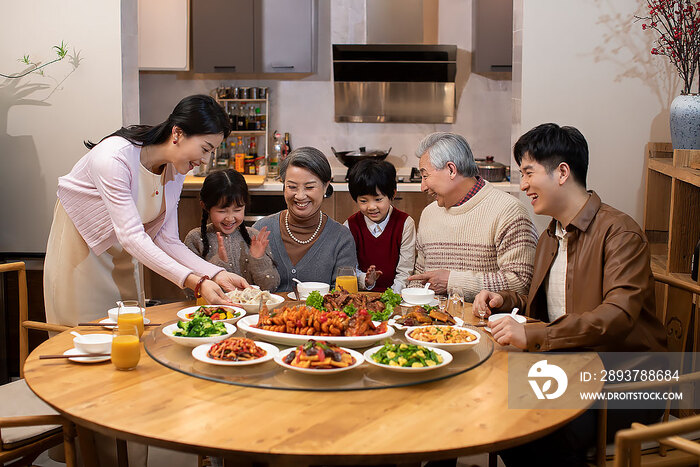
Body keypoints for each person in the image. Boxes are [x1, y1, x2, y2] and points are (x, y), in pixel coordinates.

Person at [473, 123, 667, 466]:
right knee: (491, 405)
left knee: (532, 426)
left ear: (562, 172)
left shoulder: (620, 234)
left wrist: (535, 334)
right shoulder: (550, 235)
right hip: (572, 371)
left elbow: (617, 318)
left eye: (528, 172)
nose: (523, 185)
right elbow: (546, 305)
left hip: (628, 384)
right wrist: (505, 300)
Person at [44, 94, 249, 328]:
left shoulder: (176, 169)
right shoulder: (113, 157)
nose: (205, 160)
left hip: (124, 253)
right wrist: (196, 282)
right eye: (205, 148)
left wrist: (215, 274)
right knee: (85, 337)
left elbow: (166, 238)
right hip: (80, 254)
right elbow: (132, 235)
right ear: (178, 133)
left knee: (128, 332)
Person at [407, 132, 538, 301]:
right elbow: (420, 276)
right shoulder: (429, 213)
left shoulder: (508, 211)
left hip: (484, 324)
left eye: (425, 176)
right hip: (430, 327)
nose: (422, 187)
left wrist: (452, 281)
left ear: (451, 170)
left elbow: (521, 282)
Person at [253, 147, 357, 292]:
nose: (300, 196)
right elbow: (246, 289)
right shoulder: (261, 229)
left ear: (326, 187)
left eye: (309, 187)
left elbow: (344, 297)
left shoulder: (341, 238)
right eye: (292, 187)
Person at [184, 169, 280, 291]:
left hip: (252, 310)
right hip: (216, 309)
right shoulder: (195, 239)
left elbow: (271, 287)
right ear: (205, 206)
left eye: (237, 210)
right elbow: (191, 292)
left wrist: (259, 259)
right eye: (222, 211)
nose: (230, 218)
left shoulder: (254, 237)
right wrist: (218, 262)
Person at [343, 158, 416, 293]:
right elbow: (350, 269)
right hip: (361, 297)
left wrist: (391, 298)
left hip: (396, 296)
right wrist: (365, 279)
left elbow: (405, 271)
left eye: (378, 200)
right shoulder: (350, 226)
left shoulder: (405, 223)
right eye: (363, 201)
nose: (371, 207)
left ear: (392, 194)